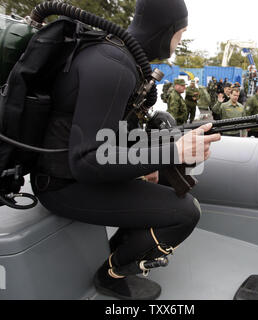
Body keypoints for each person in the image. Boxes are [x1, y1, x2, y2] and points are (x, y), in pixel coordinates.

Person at [30, 0, 221, 300]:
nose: (180, 41)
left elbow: (112, 132)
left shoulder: (117, 55)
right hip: (63, 185)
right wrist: (173, 153)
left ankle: (120, 247)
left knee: (166, 182)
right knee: (186, 213)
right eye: (181, 33)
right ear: (166, 30)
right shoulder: (114, 66)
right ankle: (111, 274)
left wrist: (153, 160)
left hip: (74, 174)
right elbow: (87, 160)